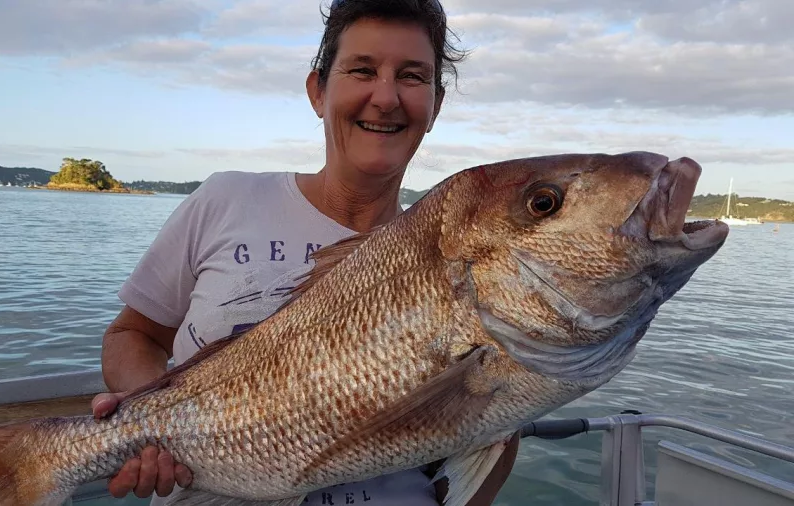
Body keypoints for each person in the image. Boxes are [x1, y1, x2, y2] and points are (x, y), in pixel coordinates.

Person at [91, 0, 521, 504]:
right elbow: (132, 335)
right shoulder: (225, 200)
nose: (385, 97)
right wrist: (155, 422)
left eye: (411, 76)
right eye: (362, 70)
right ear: (318, 91)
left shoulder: (453, 258)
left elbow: (477, 459)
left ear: (435, 104)